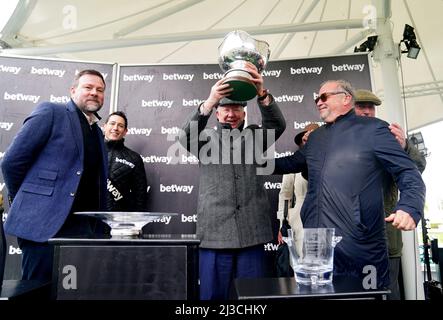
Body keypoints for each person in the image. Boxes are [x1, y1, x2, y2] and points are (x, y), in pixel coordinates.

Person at [273, 79, 425, 289]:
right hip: (317, 246)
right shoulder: (316, 138)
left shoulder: (375, 130)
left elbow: (408, 171)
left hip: (360, 246)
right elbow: (289, 163)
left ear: (346, 98)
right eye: (317, 98)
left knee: (365, 298)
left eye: (324, 97)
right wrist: (250, 161)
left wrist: (409, 207)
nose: (319, 102)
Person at [179, 62, 286, 300]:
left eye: (237, 108)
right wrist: (209, 101)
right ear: (217, 113)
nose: (231, 113)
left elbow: (278, 125)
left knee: (253, 299)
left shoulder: (256, 136)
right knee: (211, 297)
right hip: (215, 236)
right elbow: (184, 136)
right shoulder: (204, 139)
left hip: (253, 234)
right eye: (225, 108)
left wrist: (262, 95)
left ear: (244, 113)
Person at [1, 69, 109, 281]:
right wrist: (26, 199)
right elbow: (12, 161)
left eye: (100, 90)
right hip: (45, 226)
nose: (94, 93)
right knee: (37, 292)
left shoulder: (97, 133)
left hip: (84, 231)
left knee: (73, 293)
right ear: (73, 90)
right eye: (88, 87)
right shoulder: (51, 112)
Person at [354, 89, 426, 299]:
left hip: (385, 236)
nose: (367, 111)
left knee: (387, 292)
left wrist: (404, 146)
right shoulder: (338, 138)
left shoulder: (388, 135)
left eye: (371, 107)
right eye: (361, 106)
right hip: (350, 238)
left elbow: (416, 169)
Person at [277, 123, 319, 254]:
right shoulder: (295, 163)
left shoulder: (329, 160)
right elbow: (285, 195)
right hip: (299, 219)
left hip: (326, 214)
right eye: (306, 139)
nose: (308, 141)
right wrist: (282, 224)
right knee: (301, 258)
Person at [103, 111, 148, 212]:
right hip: (88, 218)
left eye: (120, 126)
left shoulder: (134, 159)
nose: (115, 128)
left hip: (117, 220)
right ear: (104, 126)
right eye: (112, 123)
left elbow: (140, 196)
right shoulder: (89, 150)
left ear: (125, 131)